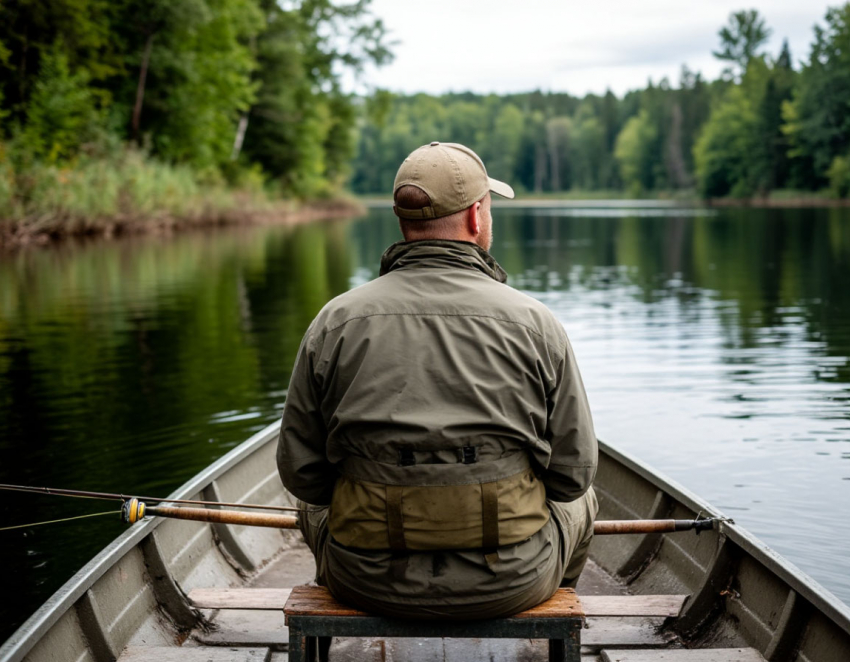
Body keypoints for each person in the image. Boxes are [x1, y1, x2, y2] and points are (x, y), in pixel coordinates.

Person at [277, 141, 598, 620]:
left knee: (313, 507)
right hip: (511, 581)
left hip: (364, 580)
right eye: (489, 207)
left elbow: (302, 474)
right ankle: (545, 616)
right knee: (586, 502)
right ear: (475, 218)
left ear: (404, 220)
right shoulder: (534, 323)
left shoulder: (335, 321)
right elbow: (573, 476)